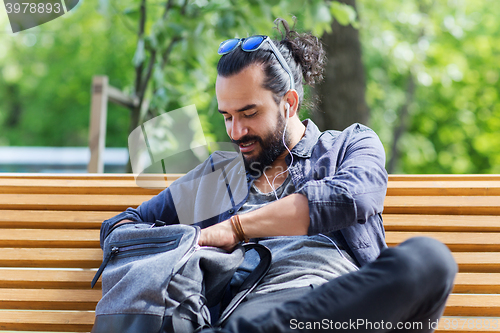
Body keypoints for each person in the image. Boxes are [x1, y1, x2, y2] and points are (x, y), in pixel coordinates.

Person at [100, 18, 457, 332]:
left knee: (430, 259)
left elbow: (351, 197)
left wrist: (236, 228)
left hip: (350, 307)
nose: (235, 131)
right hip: (258, 305)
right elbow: (121, 227)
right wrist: (191, 245)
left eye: (249, 112)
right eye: (226, 116)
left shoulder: (348, 144)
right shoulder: (217, 176)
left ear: (289, 103)